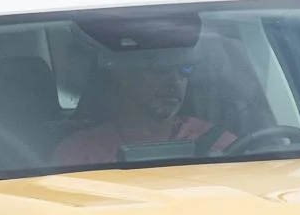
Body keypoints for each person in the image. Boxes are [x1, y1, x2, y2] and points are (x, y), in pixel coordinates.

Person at [53, 47, 235, 166]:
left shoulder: (220, 144)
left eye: (184, 72)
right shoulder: (80, 154)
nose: (175, 83)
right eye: (160, 71)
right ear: (125, 76)